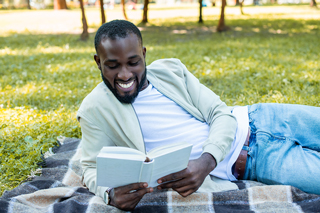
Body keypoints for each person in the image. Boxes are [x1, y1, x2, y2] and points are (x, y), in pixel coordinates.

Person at [77, 20, 320, 211]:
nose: (124, 74)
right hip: (259, 160)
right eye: (112, 65)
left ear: (144, 54)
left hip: (263, 117)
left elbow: (220, 113)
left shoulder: (171, 71)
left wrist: (207, 161)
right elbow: (89, 166)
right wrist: (109, 194)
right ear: (98, 62)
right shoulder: (95, 108)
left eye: (133, 62)